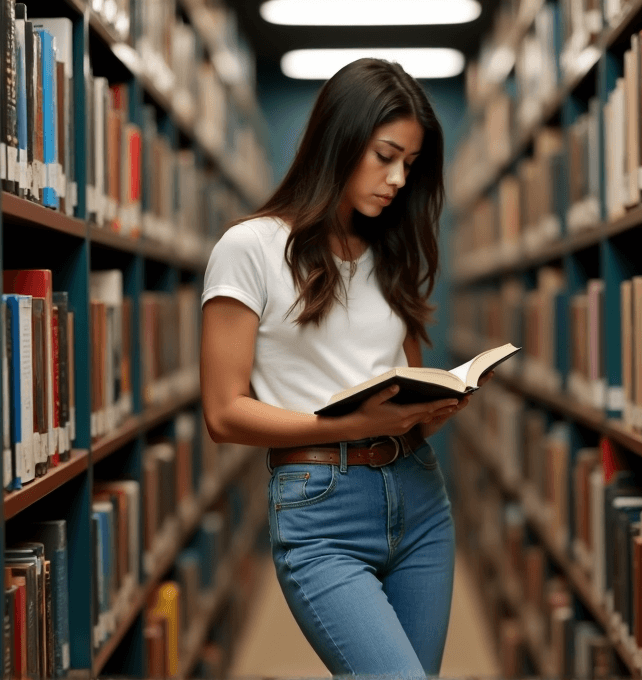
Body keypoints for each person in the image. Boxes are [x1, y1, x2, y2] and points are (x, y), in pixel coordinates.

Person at [200, 57, 493, 678]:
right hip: (320, 508)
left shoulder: (390, 251)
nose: (397, 179)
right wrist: (349, 427)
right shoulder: (250, 248)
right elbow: (224, 414)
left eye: (410, 165)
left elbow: (402, 387)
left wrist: (430, 408)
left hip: (419, 496)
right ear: (339, 140)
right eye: (385, 155)